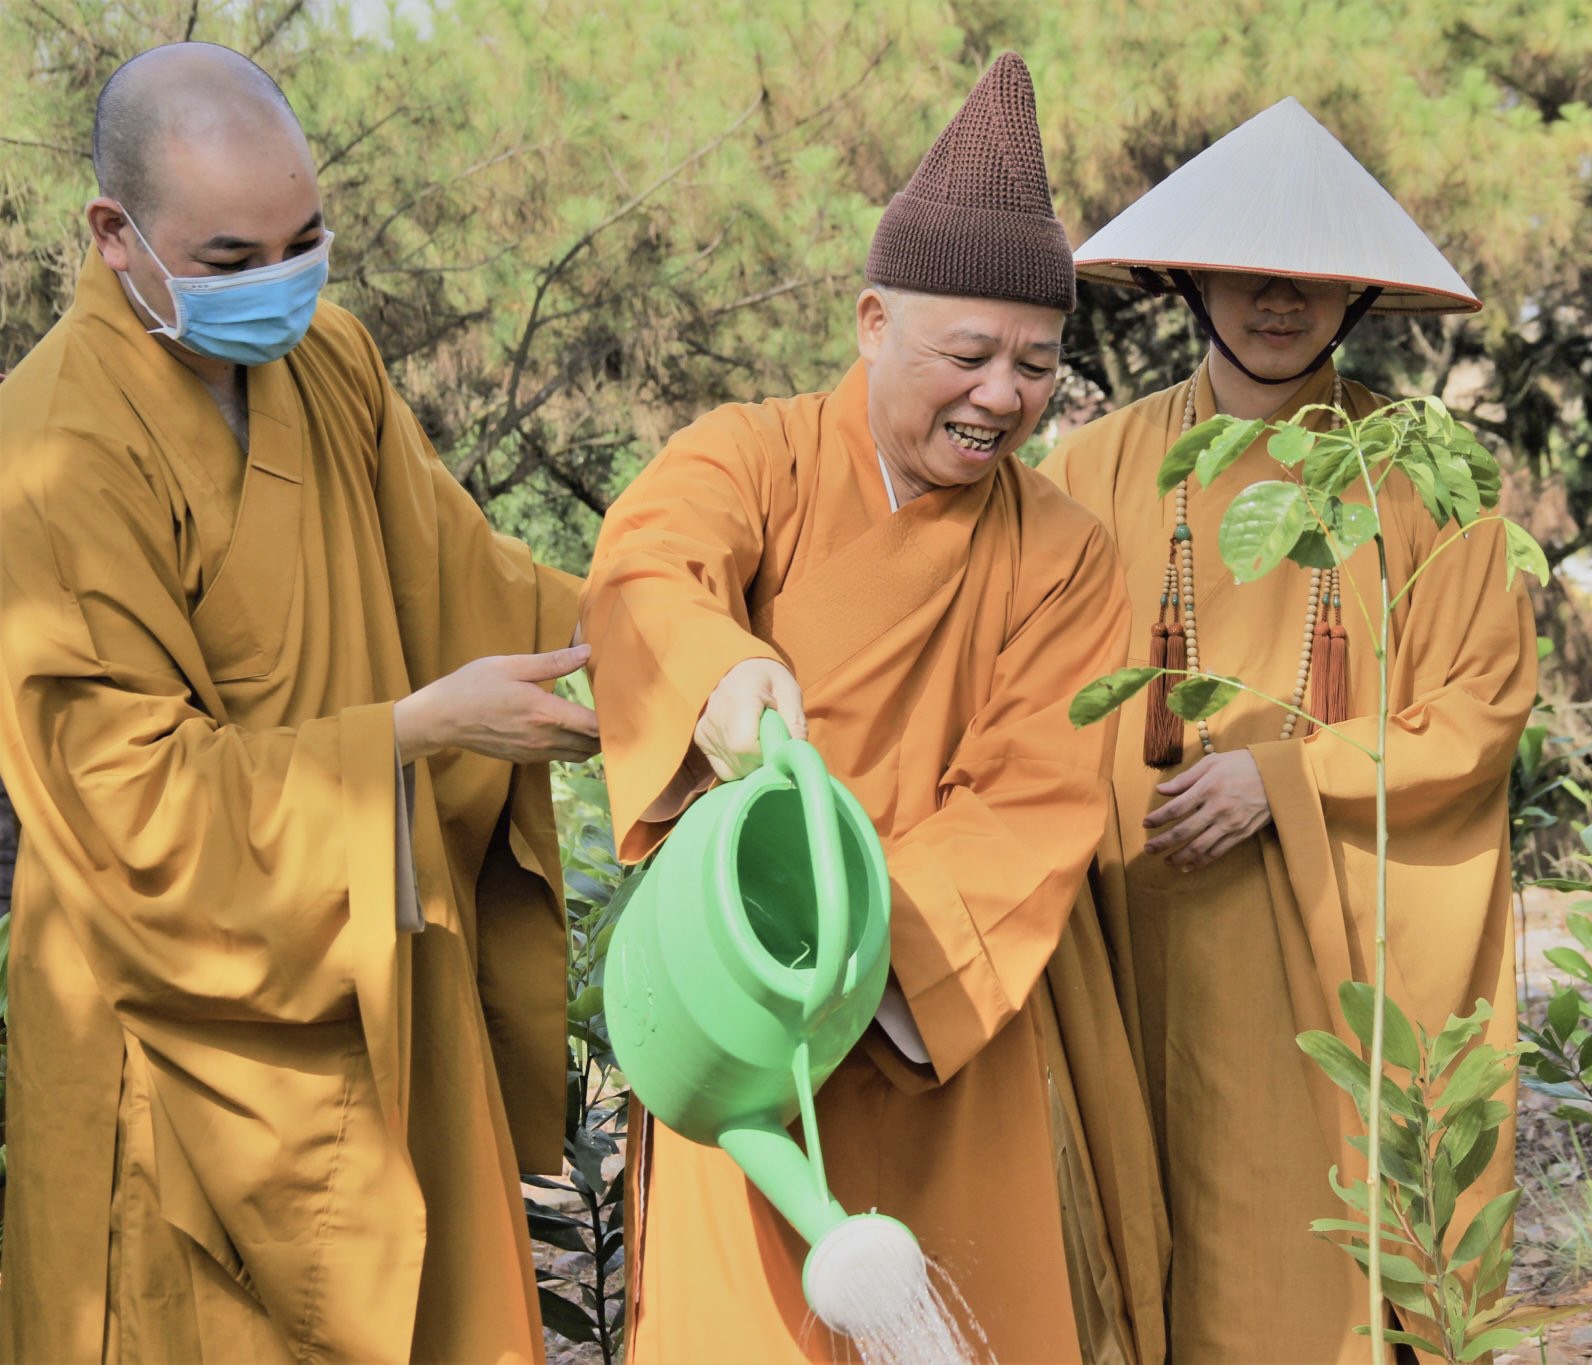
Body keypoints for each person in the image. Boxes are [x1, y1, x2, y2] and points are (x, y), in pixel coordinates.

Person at [0, 43, 599, 1361]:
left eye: (307, 238)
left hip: (377, 969)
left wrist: (656, 630)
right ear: (115, 233)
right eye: (229, 259)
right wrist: (414, 734)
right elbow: (127, 803)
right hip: (176, 1042)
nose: (279, 281)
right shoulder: (52, 448)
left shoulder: (329, 358)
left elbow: (474, 583)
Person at [582, 52, 1165, 1365]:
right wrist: (716, 672)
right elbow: (646, 563)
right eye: (969, 353)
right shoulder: (754, 455)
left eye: (1037, 363)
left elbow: (1037, 797)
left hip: (927, 1023)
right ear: (870, 322)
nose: (1004, 397)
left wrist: (843, 961)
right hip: (740, 1027)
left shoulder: (1065, 552)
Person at [1040, 97, 1539, 1363]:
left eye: (1313, 280)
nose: (1280, 300)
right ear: (1187, 279)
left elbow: (1479, 707)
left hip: (1333, 941)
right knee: (1148, 1224)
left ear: (1357, 297)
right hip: (1138, 916)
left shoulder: (1428, 475)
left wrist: (1288, 777)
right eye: (1250, 273)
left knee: (1314, 1246)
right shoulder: (1087, 470)